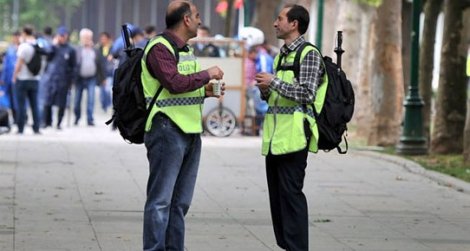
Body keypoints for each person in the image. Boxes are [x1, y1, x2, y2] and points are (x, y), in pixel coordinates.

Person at [141, 1, 224, 250]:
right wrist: (207, 74)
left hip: (189, 131)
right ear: (186, 19)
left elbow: (185, 88)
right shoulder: (159, 48)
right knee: (161, 201)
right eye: (197, 16)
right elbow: (174, 83)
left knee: (180, 203)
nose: (200, 21)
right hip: (167, 129)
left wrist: (205, 92)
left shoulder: (185, 50)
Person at [255, 4, 325, 251]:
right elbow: (276, 97)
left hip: (295, 138)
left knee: (291, 197)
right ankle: (287, 246)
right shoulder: (281, 55)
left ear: (294, 23)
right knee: (278, 200)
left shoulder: (309, 54)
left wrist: (273, 81)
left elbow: (307, 93)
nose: (275, 23)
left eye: (280, 18)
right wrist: (266, 90)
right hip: (275, 139)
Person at [42, 26, 76, 129]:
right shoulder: (53, 48)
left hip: (64, 80)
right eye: (59, 36)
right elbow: (47, 54)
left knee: (61, 103)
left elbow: (73, 66)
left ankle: (59, 123)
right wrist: (53, 44)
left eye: (63, 35)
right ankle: (47, 121)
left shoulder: (70, 50)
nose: (61, 38)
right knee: (48, 101)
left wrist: (72, 80)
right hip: (52, 79)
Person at [12, 25, 43, 134]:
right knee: (35, 104)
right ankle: (36, 127)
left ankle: (21, 128)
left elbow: (19, 63)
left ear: (24, 33)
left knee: (21, 105)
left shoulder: (23, 46)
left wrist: (14, 76)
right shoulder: (38, 45)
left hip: (23, 79)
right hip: (35, 78)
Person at [73, 28, 105, 126]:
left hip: (92, 77)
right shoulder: (77, 50)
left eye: (89, 37)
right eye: (85, 37)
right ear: (81, 38)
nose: (87, 39)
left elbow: (100, 64)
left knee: (91, 99)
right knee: (77, 100)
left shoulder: (95, 50)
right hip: (79, 78)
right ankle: (77, 117)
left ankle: (90, 119)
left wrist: (103, 78)